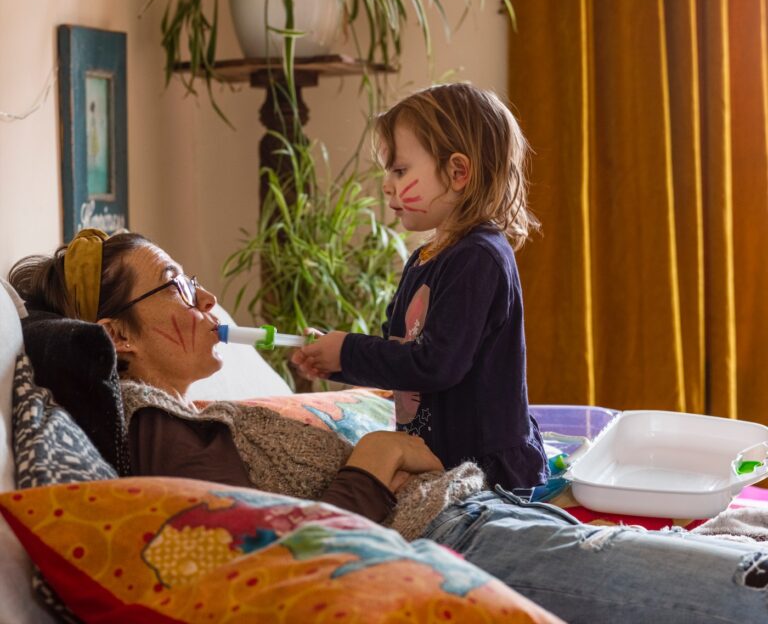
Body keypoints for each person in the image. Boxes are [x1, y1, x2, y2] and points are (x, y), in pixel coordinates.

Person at [10, 229, 768, 624]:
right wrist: (375, 462)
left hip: (478, 513)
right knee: (743, 594)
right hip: (465, 541)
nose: (207, 294)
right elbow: (285, 558)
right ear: (119, 337)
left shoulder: (203, 416)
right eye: (176, 285)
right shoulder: (160, 439)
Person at [292, 82, 548, 492]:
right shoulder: (427, 258)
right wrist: (338, 359)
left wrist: (349, 351)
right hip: (439, 455)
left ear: (458, 172)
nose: (387, 186)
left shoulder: (478, 257)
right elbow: (403, 352)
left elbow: (436, 364)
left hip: (484, 468)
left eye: (399, 170)